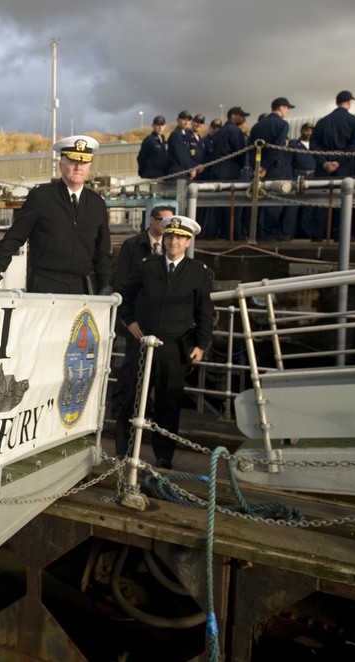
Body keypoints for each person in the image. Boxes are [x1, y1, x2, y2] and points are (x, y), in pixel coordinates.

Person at [114, 215, 214, 468]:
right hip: (143, 343)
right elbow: (124, 293)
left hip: (174, 347)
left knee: (168, 404)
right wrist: (130, 321)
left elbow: (205, 312)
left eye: (180, 238)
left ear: (188, 242)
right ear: (164, 238)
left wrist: (201, 345)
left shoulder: (198, 273)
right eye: (170, 236)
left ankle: (163, 456)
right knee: (132, 400)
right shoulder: (147, 266)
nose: (173, 242)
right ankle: (123, 452)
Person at [0, 135, 112, 295]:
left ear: (89, 166)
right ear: (61, 165)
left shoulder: (97, 204)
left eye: (83, 162)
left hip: (81, 288)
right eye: (72, 161)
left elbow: (102, 251)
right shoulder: (41, 198)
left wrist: (105, 284)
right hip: (45, 284)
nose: (78, 167)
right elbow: (15, 237)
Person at [109, 205, 174, 417]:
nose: (168, 227)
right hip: (133, 318)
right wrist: (126, 318)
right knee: (130, 364)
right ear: (152, 221)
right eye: (163, 221)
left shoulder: (169, 247)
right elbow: (122, 282)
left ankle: (145, 407)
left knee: (152, 365)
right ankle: (120, 407)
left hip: (155, 317)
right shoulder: (132, 245)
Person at [249, 97, 295, 240]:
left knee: (261, 198)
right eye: (287, 108)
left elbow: (251, 148)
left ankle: (260, 230)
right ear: (280, 108)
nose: (287, 111)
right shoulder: (282, 124)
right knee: (276, 198)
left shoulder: (257, 126)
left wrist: (256, 167)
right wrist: (266, 166)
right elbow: (277, 147)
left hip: (259, 166)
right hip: (276, 166)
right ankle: (271, 231)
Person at [212, 106, 252, 239]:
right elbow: (239, 151)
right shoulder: (234, 130)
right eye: (241, 115)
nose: (244, 118)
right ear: (233, 116)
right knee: (232, 204)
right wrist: (241, 165)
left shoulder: (219, 131)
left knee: (220, 203)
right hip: (231, 168)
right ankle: (232, 233)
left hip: (219, 168)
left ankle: (220, 231)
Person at [313, 90, 355, 178]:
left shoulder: (322, 122)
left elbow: (314, 144)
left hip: (325, 165)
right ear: (349, 102)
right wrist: (339, 162)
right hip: (345, 165)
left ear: (336, 102)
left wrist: (324, 162)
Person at [167, 110, 197, 179]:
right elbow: (181, 155)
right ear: (178, 120)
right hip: (178, 171)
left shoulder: (185, 135)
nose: (186, 122)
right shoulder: (176, 135)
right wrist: (190, 169)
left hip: (184, 170)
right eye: (184, 119)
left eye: (188, 120)